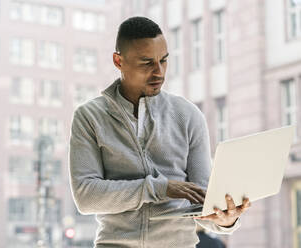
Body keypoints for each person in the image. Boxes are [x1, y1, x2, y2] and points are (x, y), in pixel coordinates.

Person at [69, 16, 251, 248]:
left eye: (163, 60)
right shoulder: (89, 117)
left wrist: (226, 219)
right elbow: (87, 197)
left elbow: (204, 200)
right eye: (146, 63)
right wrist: (161, 188)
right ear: (118, 61)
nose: (159, 72)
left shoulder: (188, 115)